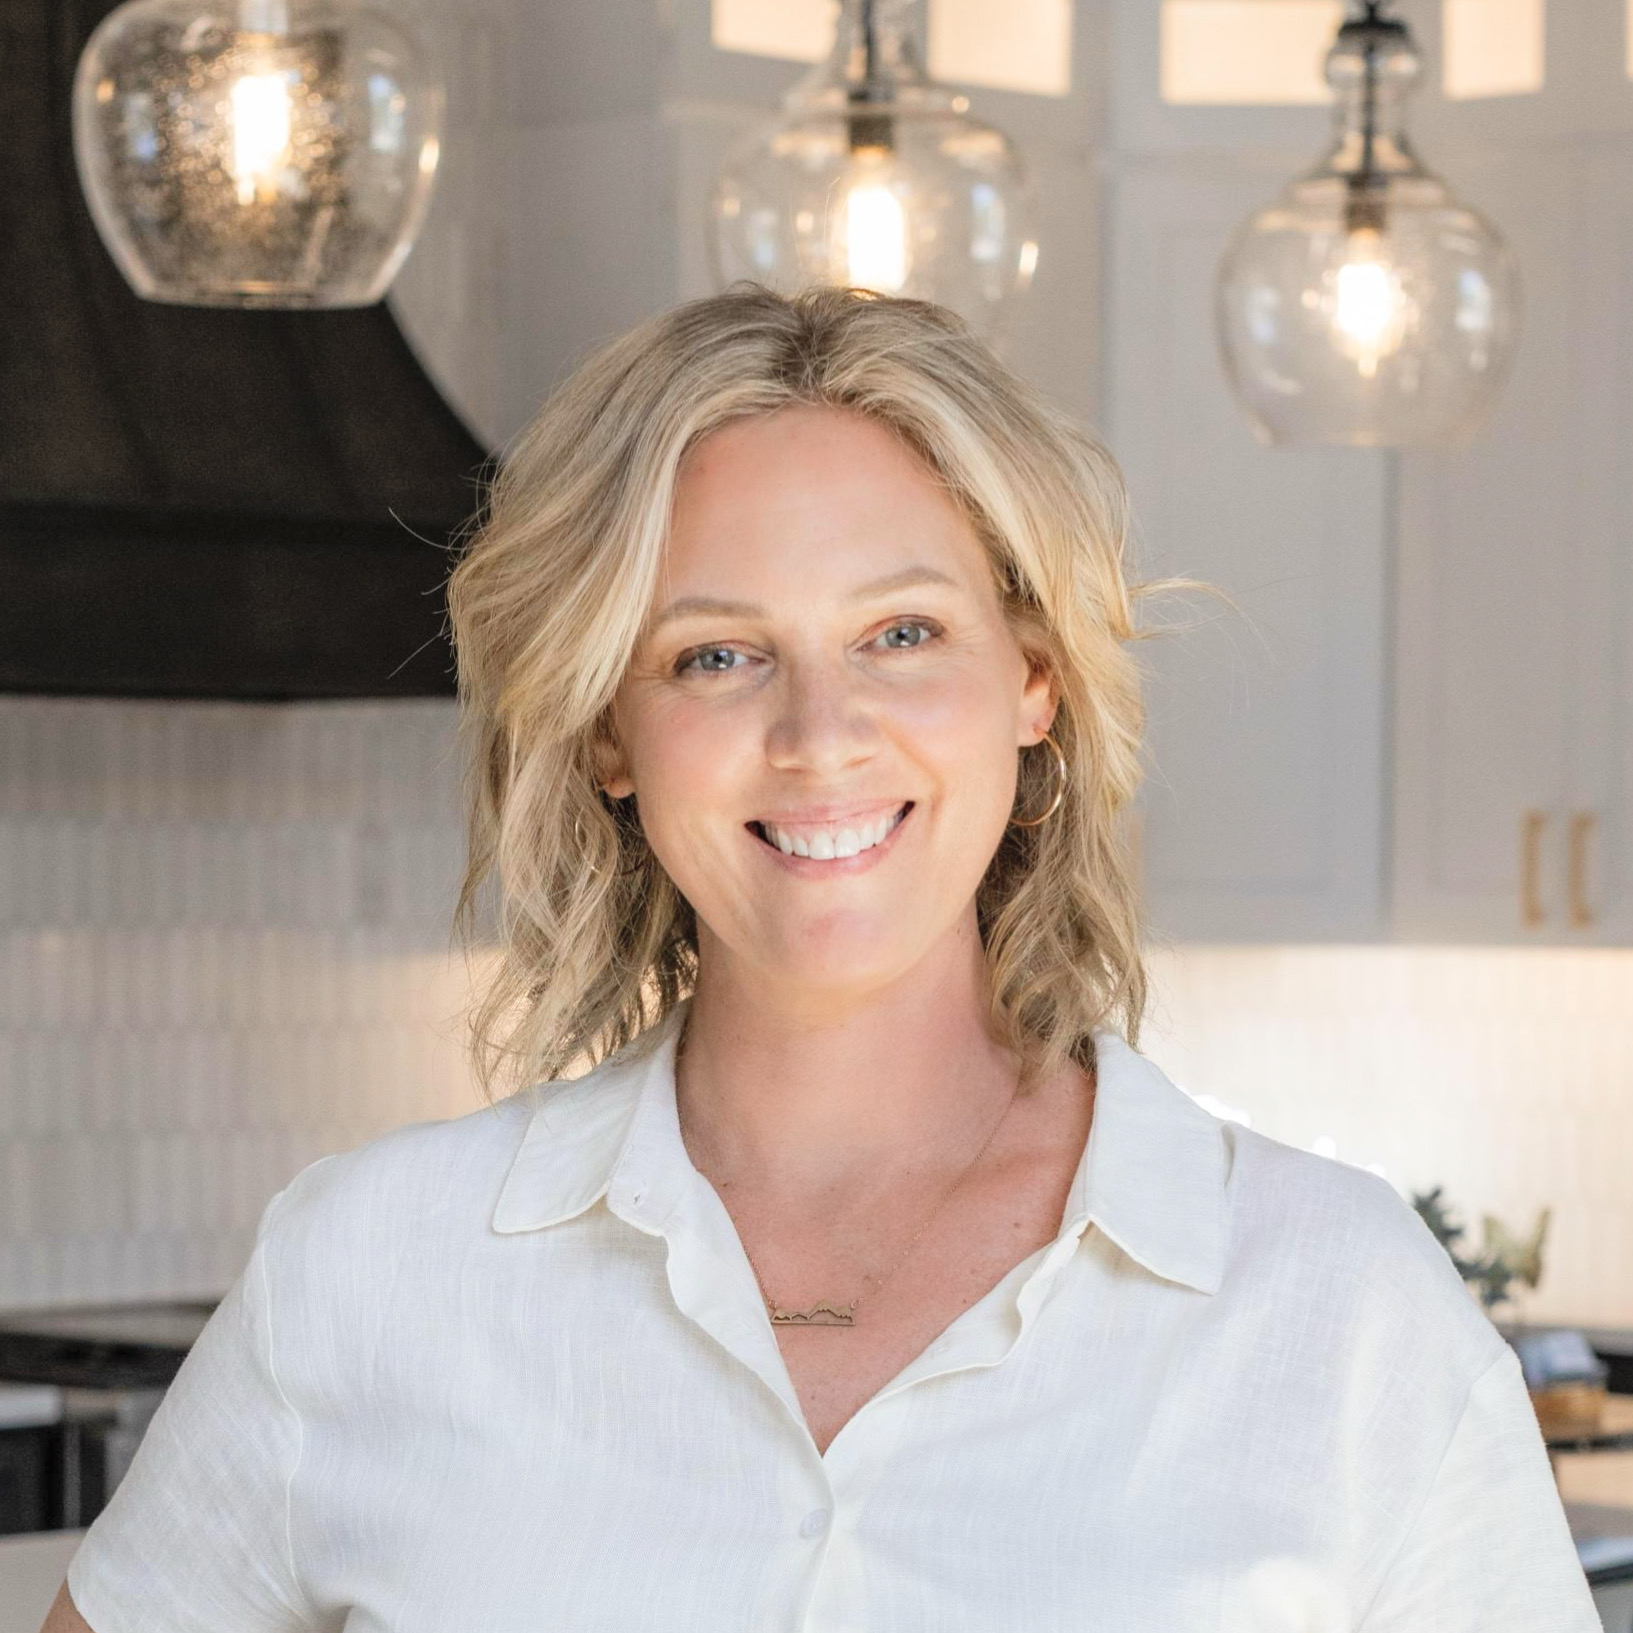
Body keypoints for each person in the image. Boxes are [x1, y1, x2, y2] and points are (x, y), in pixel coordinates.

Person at [45, 284, 1598, 1631]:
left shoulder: (1338, 1305)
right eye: (715, 655)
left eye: (899, 633)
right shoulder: (368, 1270)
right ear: (607, 731)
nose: (818, 735)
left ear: (1033, 679)